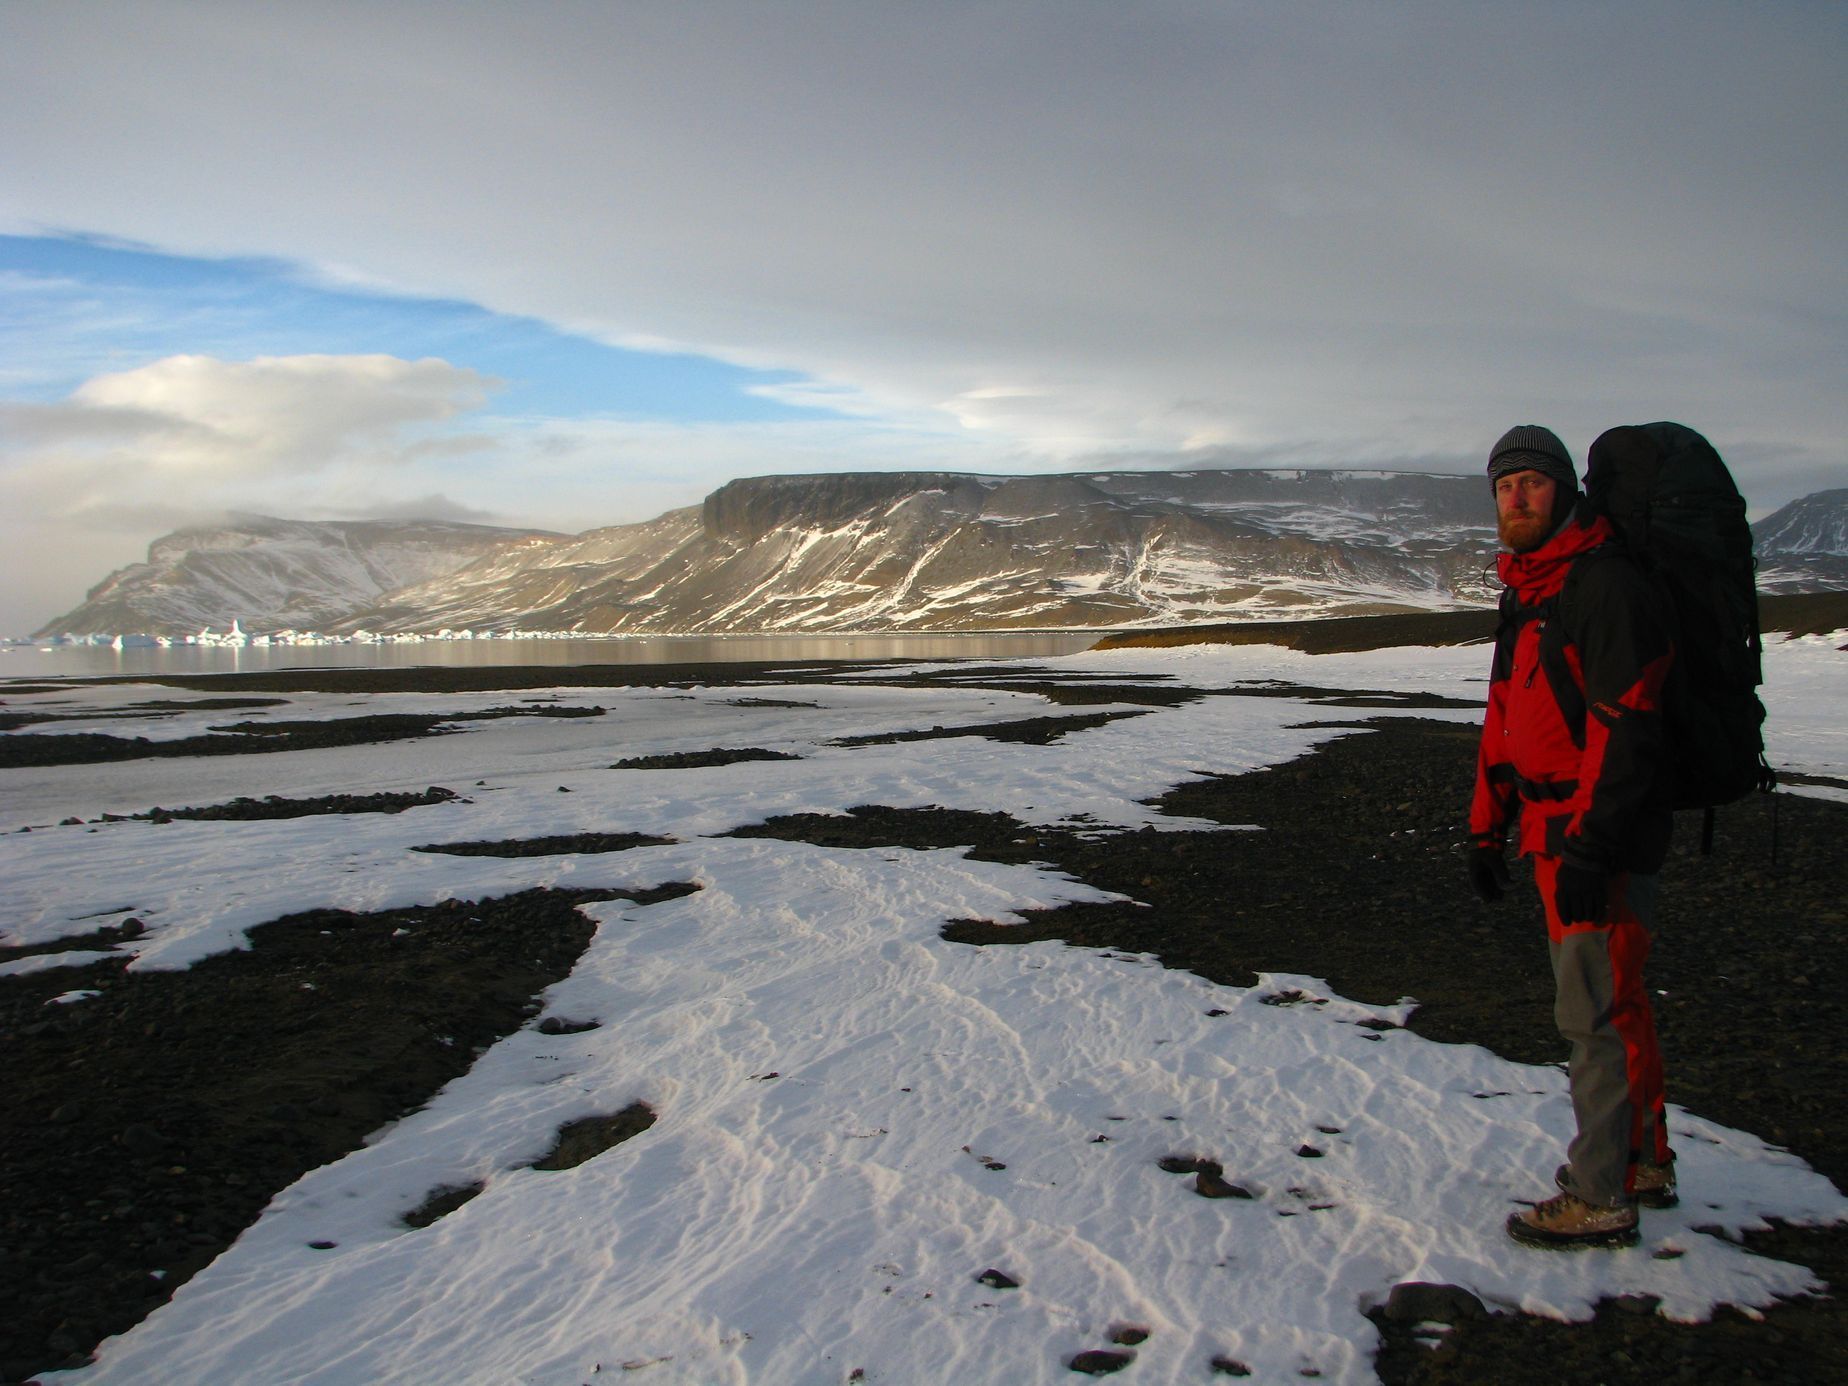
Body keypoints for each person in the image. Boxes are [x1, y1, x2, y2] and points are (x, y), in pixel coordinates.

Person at [1466, 424, 1678, 1249]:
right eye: (1503, 486)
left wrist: (1591, 846)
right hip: (1552, 831)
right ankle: (1641, 1160)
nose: (1516, 498)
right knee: (1611, 1002)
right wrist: (1487, 831)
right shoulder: (1529, 590)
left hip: (1598, 836)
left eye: (1532, 483)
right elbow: (1506, 718)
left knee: (1593, 1011)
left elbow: (1627, 728)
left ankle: (1601, 1195)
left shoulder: (1604, 586)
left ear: (1565, 492)